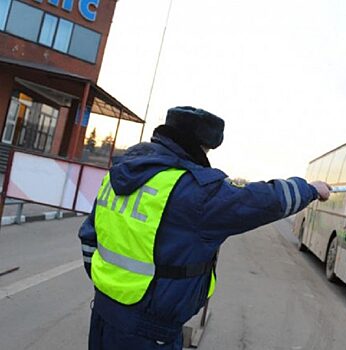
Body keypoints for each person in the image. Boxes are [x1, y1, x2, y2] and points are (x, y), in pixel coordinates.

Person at [78, 106, 331, 349]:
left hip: (102, 313)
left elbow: (89, 236)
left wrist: (108, 285)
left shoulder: (119, 173)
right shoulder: (193, 191)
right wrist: (309, 189)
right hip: (149, 331)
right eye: (207, 149)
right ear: (196, 146)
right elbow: (259, 202)